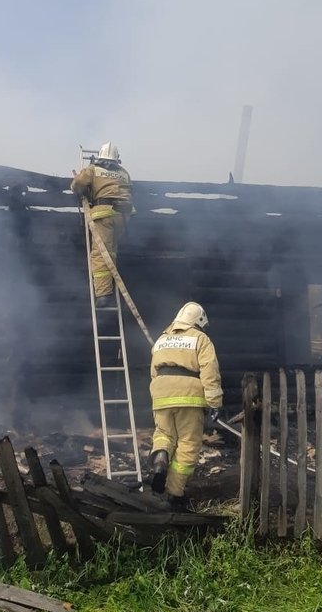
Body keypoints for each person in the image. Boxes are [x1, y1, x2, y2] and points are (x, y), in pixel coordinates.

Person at [148, 302, 223, 508]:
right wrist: (214, 402)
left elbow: (153, 372)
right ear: (198, 321)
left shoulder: (162, 339)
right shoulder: (201, 339)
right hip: (188, 396)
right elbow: (209, 371)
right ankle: (175, 493)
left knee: (164, 434)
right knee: (188, 444)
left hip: (160, 394)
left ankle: (161, 458)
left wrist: (159, 393)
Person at [71, 142, 133, 307]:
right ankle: (109, 283)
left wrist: (83, 190)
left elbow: (77, 184)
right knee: (110, 252)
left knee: (100, 254)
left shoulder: (93, 169)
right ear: (116, 159)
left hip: (104, 215)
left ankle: (104, 294)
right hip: (123, 217)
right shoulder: (124, 172)